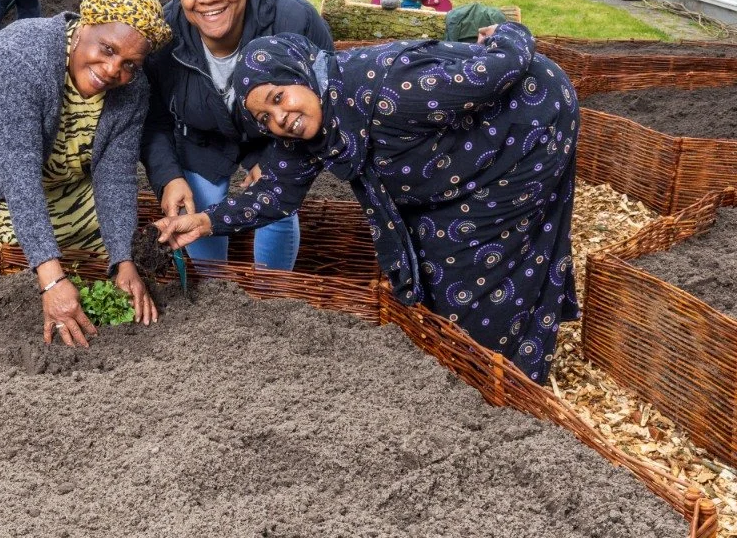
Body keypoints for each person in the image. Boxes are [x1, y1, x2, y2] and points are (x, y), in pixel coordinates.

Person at [155, 23, 580, 382]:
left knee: (480, 257)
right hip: (455, 154)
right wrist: (206, 222)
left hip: (527, 121)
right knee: (431, 252)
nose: (279, 118)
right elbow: (274, 193)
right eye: (264, 118)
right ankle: (461, 358)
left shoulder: (395, 87)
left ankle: (506, 373)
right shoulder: (311, 123)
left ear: (301, 75)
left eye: (279, 98)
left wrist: (510, 31)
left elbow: (499, 70)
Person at [0, 0, 173, 348]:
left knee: (92, 239)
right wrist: (52, 280)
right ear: (85, 26)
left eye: (129, 64)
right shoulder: (23, 58)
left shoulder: (133, 88)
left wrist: (123, 260)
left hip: (43, 143)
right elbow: (18, 173)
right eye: (107, 49)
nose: (111, 69)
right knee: (43, 244)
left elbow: (116, 175)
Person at [141, 0, 333, 271]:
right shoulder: (164, 35)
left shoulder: (293, 19)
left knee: (275, 202)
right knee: (199, 208)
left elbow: (324, 100)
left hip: (274, 135)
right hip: (203, 135)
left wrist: (282, 159)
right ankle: (217, 299)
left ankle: (273, 296)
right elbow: (154, 119)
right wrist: (169, 176)